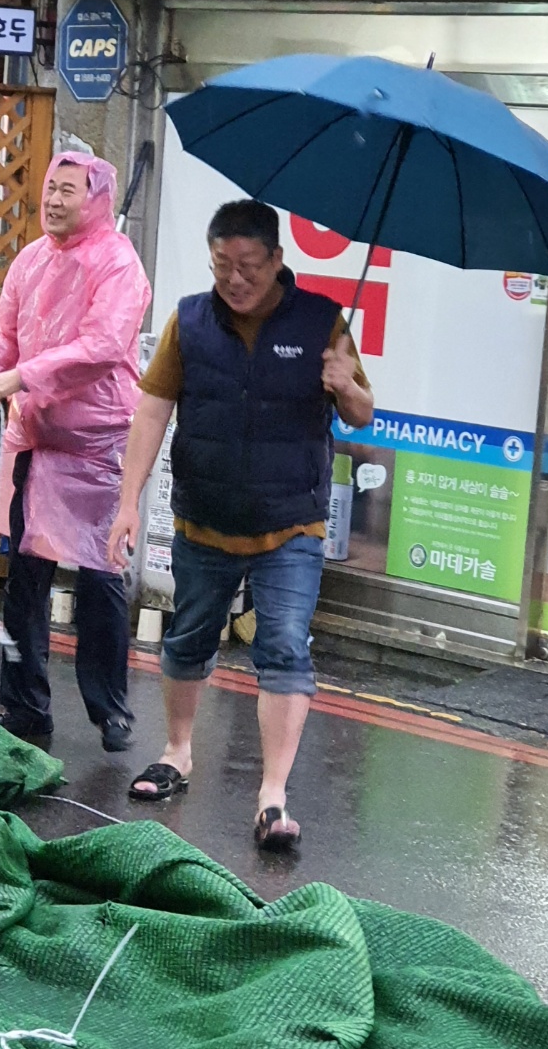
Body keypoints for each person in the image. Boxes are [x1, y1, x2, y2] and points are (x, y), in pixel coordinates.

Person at [107, 199, 374, 850]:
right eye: (221, 264)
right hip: (206, 517)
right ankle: (176, 753)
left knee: (283, 645)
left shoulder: (322, 321)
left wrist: (345, 384)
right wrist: (127, 501)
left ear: (277, 259)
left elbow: (362, 413)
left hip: (291, 524)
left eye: (248, 265)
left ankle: (272, 797)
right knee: (189, 638)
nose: (234, 278)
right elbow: (152, 411)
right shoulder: (190, 321)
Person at [0, 153, 152, 751]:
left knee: (101, 576)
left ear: (96, 199)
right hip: (34, 438)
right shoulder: (30, 260)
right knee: (26, 578)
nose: (53, 200)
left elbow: (103, 346)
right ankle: (26, 706)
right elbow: (5, 337)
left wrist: (22, 376)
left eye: (67, 190)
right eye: (50, 188)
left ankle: (111, 710)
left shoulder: (118, 263)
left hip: (98, 442)